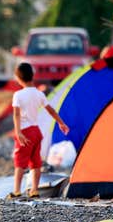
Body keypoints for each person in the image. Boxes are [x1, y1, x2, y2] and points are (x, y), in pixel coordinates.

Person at [8, 62, 69, 199]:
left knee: (20, 162)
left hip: (24, 131)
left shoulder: (18, 95)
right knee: (35, 163)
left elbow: (16, 114)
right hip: (36, 131)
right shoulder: (39, 94)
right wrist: (61, 123)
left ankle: (17, 190)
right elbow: (51, 110)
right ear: (32, 76)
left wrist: (18, 132)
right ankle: (34, 190)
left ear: (18, 78)